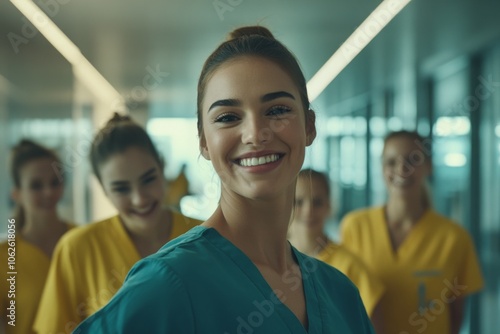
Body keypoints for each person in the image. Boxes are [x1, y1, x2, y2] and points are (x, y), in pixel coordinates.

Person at [74, 26, 374, 333]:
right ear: (204, 141)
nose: (256, 134)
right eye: (228, 117)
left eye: (278, 110)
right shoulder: (172, 281)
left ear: (309, 126)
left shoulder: (340, 295)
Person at [33, 114, 201, 333]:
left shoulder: (205, 238)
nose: (139, 199)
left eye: (148, 179)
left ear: (162, 168)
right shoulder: (77, 249)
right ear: (103, 189)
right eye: (121, 189)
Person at [340, 130, 484, 334]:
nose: (401, 169)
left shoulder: (454, 238)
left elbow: (456, 317)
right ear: (382, 169)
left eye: (412, 160)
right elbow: (342, 299)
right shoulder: (355, 227)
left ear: (428, 167)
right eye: (391, 162)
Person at [288, 168, 386, 332]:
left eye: (317, 202)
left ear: (329, 205)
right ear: (286, 204)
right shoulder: (273, 260)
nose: (308, 211)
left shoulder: (351, 267)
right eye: (299, 202)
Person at [0, 139, 74, 334]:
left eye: (54, 182)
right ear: (17, 194)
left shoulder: (84, 241)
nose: (48, 192)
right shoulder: (5, 257)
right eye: (36, 185)